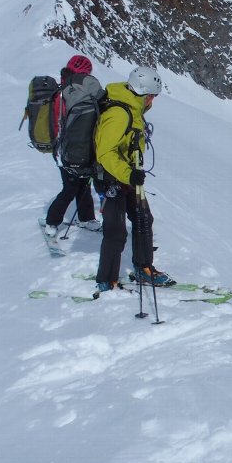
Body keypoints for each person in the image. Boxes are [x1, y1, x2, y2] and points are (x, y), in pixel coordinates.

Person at [93, 66, 175, 293]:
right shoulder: (119, 113)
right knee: (115, 230)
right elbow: (105, 152)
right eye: (153, 97)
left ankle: (144, 267)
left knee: (143, 219)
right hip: (111, 178)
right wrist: (128, 174)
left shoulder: (133, 108)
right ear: (147, 95)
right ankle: (106, 279)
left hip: (128, 177)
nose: (152, 102)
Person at [43, 54, 102, 236]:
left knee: (83, 184)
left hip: (74, 148)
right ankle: (52, 222)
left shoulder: (64, 91)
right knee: (70, 188)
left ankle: (86, 218)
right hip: (66, 149)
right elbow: (57, 122)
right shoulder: (65, 94)